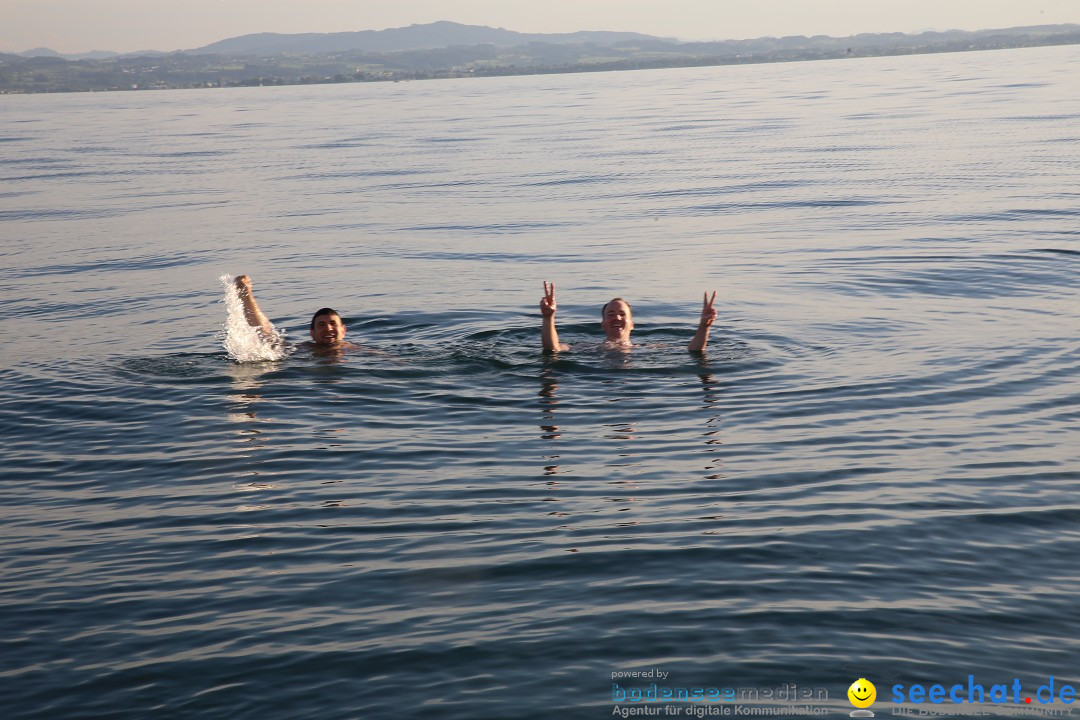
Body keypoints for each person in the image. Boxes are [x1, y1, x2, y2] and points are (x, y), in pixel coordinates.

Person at [540, 281, 717, 352]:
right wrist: (549, 318)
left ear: (632, 324)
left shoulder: (646, 348)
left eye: (622, 314)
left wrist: (704, 326)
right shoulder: (587, 348)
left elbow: (693, 350)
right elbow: (553, 348)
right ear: (602, 324)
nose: (616, 318)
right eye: (611, 314)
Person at [233, 275, 358, 350]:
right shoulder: (304, 349)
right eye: (321, 325)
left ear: (343, 330)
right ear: (312, 333)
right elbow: (266, 334)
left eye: (333, 323)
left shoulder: (356, 351)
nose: (328, 328)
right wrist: (246, 294)